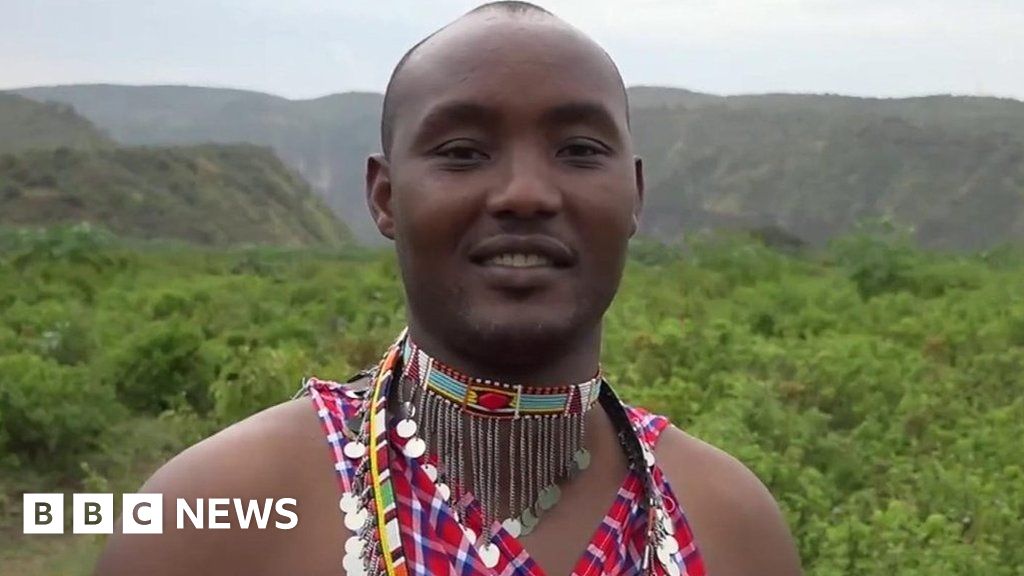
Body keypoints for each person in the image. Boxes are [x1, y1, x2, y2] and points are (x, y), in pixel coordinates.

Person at [95, 2, 802, 575]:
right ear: (384, 197)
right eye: (462, 152)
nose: (525, 193)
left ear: (635, 196)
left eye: (580, 151)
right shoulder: (212, 515)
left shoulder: (729, 523)